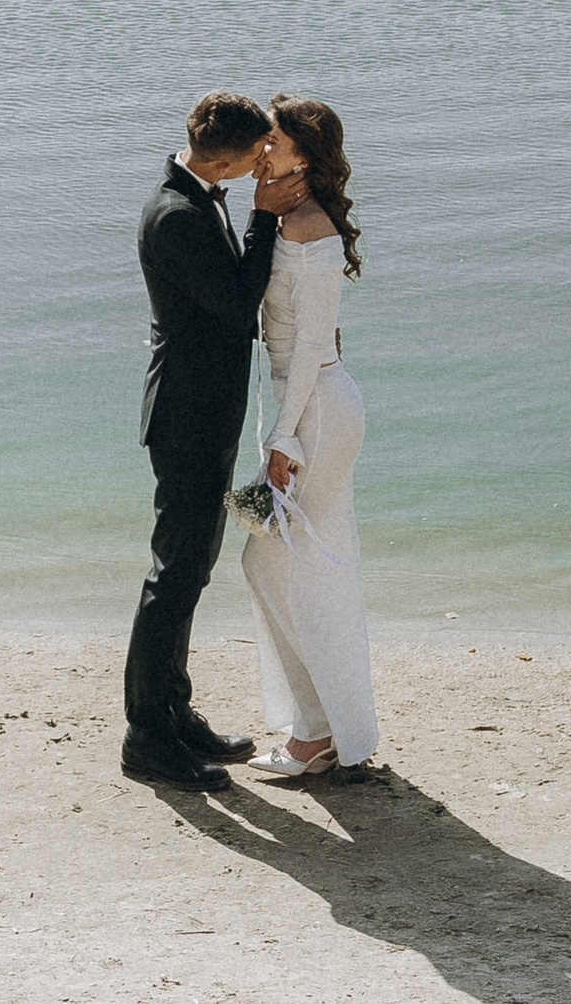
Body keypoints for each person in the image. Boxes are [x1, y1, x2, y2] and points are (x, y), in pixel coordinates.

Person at [120, 91, 279, 784]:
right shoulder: (178, 216)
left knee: (191, 570)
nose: (265, 162)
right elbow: (241, 303)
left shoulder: (196, 191)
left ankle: (175, 713)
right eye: (258, 153)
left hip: (201, 410)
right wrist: (266, 217)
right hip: (186, 416)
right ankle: (148, 735)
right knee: (173, 575)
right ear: (227, 158)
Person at [240, 95, 380, 781]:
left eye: (273, 138)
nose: (262, 146)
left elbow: (312, 346)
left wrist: (284, 437)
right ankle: (325, 729)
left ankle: (319, 733)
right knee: (307, 567)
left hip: (317, 410)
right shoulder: (287, 220)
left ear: (304, 153)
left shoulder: (310, 231)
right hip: (316, 401)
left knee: (276, 563)